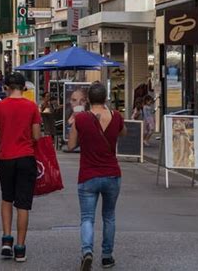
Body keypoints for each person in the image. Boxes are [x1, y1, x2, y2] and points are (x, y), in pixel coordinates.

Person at [68, 81, 126, 271]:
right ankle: (107, 257)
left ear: (87, 100)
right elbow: (123, 133)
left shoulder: (81, 119)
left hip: (88, 174)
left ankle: (87, 252)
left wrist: (75, 125)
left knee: (87, 217)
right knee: (109, 216)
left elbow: (70, 145)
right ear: (105, 98)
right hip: (111, 174)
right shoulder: (116, 116)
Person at [0, 72, 42, 263]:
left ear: (6, 87)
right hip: (26, 157)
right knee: (23, 204)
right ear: (24, 88)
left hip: (6, 157)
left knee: (6, 198)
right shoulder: (32, 107)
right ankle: (20, 248)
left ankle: (6, 240)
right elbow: (36, 136)